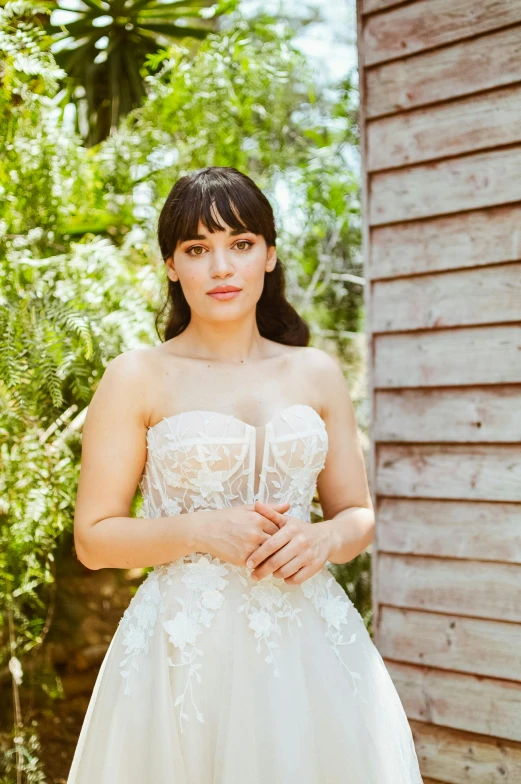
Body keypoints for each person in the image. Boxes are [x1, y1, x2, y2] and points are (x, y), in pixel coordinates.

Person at [67, 166, 423, 783]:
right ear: (172, 267)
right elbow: (93, 540)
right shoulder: (136, 377)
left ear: (270, 254)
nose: (222, 267)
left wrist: (322, 539)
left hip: (311, 645)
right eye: (197, 250)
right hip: (184, 655)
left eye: (241, 244)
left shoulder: (316, 372)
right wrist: (201, 530)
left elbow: (357, 516)